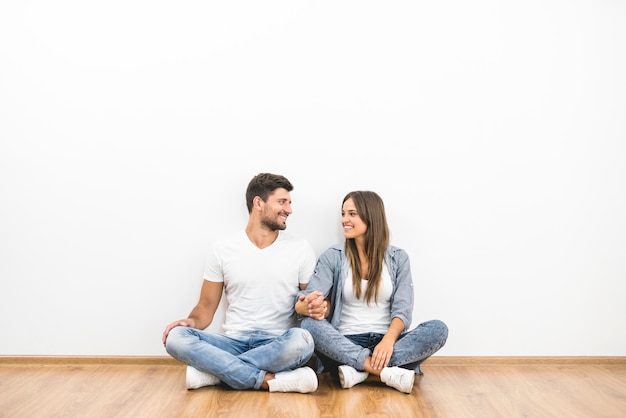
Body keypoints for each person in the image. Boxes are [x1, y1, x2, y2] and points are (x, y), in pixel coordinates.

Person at [162, 173, 319, 393]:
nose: (289, 210)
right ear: (258, 203)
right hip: (232, 341)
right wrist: (190, 322)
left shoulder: (300, 248)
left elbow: (309, 302)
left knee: (303, 340)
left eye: (289, 203)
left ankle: (216, 374)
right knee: (176, 338)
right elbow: (206, 307)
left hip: (277, 342)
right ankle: (268, 380)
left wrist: (311, 305)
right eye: (282, 202)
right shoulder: (223, 248)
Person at [295, 190, 448, 394]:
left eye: (352, 214)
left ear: (371, 216)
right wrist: (309, 303)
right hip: (345, 342)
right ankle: (385, 372)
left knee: (438, 329)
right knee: (309, 325)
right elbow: (309, 296)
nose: (344, 220)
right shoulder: (334, 256)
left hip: (388, 342)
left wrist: (388, 340)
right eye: (343, 214)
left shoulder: (398, 258)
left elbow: (403, 308)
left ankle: (359, 371)